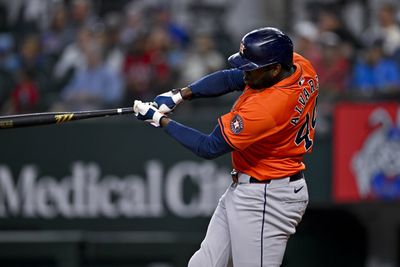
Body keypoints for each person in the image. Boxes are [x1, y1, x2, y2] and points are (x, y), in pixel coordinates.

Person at [133, 27, 319, 266]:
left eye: (251, 68)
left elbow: (208, 146)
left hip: (267, 197)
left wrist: (159, 120)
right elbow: (233, 78)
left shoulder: (268, 108)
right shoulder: (299, 66)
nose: (244, 72)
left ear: (274, 69)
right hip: (253, 186)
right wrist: (179, 95)